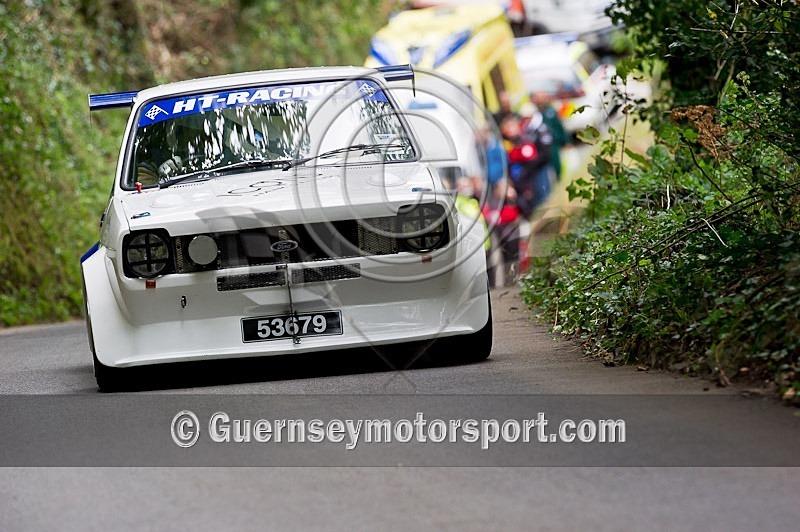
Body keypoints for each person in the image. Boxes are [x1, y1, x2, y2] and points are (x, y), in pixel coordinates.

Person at [530, 91, 568, 180]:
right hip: (542, 144)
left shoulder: (550, 110)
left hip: (554, 140)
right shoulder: (536, 113)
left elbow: (559, 126)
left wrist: (566, 140)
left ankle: (560, 176)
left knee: (557, 160)